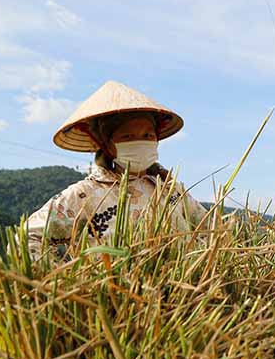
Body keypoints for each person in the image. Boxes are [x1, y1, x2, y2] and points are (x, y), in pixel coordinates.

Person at [26, 80, 206, 258]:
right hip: (111, 285)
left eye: (147, 135)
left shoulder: (172, 190)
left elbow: (214, 230)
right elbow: (28, 239)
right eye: (127, 136)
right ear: (106, 145)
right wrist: (65, 278)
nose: (140, 141)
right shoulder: (84, 195)